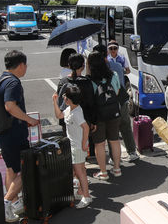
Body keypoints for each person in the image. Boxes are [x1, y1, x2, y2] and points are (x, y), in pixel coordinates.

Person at [0, 50, 40, 222]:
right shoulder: (13, 83)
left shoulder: (0, 80)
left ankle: (13, 203)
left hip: (3, 132)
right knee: (27, 169)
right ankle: (7, 202)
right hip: (14, 133)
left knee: (11, 169)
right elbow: (10, 106)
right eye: (26, 65)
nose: (26, 68)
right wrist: (29, 119)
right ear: (21, 65)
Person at [52, 85, 92, 208]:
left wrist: (84, 144)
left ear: (69, 100)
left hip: (77, 147)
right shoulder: (70, 109)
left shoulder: (76, 113)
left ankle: (86, 197)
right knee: (80, 171)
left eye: (65, 96)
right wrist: (54, 101)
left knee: (80, 173)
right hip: (74, 145)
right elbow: (59, 115)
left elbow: (86, 127)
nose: (63, 97)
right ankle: (81, 192)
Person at [87, 51, 123, 179]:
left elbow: (89, 100)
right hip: (114, 113)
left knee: (99, 144)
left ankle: (103, 172)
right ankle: (117, 168)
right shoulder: (113, 75)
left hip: (98, 116)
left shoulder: (90, 80)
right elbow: (117, 91)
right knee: (114, 141)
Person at [107, 40, 139, 163]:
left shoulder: (120, 59)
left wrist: (121, 71)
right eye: (111, 48)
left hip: (115, 96)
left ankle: (117, 155)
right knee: (122, 125)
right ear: (108, 50)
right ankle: (127, 153)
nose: (113, 50)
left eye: (115, 48)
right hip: (119, 96)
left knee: (115, 126)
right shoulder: (108, 61)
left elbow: (128, 71)